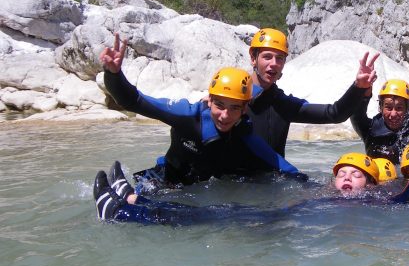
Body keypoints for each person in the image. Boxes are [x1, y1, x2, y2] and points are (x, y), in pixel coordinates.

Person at [93, 110, 409, 224]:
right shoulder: (324, 191)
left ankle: (123, 215)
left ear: (370, 184)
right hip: (281, 219)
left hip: (288, 225)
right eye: (341, 173)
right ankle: (137, 202)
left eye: (356, 175)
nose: (346, 178)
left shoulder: (373, 203)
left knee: (221, 216)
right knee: (224, 211)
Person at [99, 33, 299, 192]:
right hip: (162, 181)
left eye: (234, 108)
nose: (225, 116)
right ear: (208, 100)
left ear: (244, 109)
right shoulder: (187, 114)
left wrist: (313, 189)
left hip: (196, 189)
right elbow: (134, 101)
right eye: (220, 105)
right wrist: (114, 75)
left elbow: (280, 165)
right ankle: (130, 197)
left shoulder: (243, 132)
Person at [246, 28, 378, 156]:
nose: (274, 63)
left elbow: (335, 114)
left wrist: (358, 87)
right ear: (253, 58)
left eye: (279, 58)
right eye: (267, 57)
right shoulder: (235, 98)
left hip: (272, 176)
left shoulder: (283, 104)